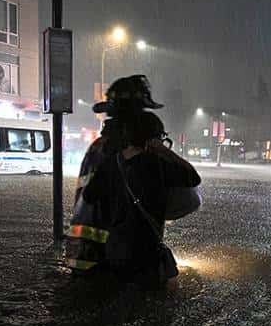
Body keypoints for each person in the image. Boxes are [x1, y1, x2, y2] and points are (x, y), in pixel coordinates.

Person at [82, 111, 201, 288]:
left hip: (115, 250)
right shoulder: (157, 165)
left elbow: (89, 196)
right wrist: (163, 151)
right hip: (147, 254)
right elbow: (193, 178)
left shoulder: (111, 164)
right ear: (153, 138)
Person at [64, 75, 163, 273]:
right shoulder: (131, 154)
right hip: (119, 257)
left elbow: (88, 197)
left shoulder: (98, 147)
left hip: (83, 254)